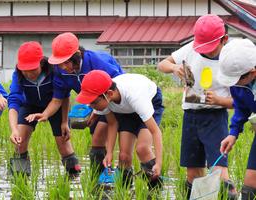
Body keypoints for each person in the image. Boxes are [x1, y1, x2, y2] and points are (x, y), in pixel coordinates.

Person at [157, 14, 237, 199]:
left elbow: (240, 101)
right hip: (190, 116)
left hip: (215, 119)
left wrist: (219, 100)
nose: (206, 52)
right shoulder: (191, 49)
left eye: (211, 48)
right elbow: (163, 64)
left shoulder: (231, 60)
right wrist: (174, 68)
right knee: (192, 172)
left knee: (219, 171)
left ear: (224, 39)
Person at [25, 32, 124, 174]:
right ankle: (99, 180)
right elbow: (58, 99)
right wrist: (45, 114)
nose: (64, 67)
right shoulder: (60, 71)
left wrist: (101, 111)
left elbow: (118, 86)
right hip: (95, 104)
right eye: (60, 63)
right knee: (96, 138)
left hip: (112, 100)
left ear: (78, 55)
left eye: (67, 62)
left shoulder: (96, 62)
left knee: (108, 135)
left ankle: (120, 172)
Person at [76, 70, 164, 189]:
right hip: (126, 110)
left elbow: (155, 131)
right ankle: (125, 190)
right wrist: (110, 153)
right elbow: (112, 123)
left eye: (94, 103)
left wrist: (159, 163)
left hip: (149, 101)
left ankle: (155, 190)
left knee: (142, 148)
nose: (92, 108)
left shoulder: (136, 97)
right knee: (123, 156)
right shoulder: (105, 100)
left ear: (110, 94)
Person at [8, 41, 80, 177]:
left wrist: (65, 122)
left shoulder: (55, 70)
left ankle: (74, 179)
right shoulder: (18, 75)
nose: (29, 74)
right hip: (29, 105)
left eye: (33, 70)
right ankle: (20, 181)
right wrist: (14, 130)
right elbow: (13, 102)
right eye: (25, 70)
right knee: (20, 142)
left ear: (41, 63)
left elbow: (64, 96)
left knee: (64, 144)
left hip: (55, 105)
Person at [218, 39, 256, 200]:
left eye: (236, 80)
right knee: (249, 188)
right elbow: (241, 107)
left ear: (252, 72)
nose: (233, 85)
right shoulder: (239, 83)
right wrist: (233, 133)